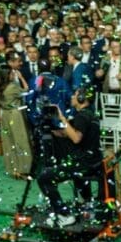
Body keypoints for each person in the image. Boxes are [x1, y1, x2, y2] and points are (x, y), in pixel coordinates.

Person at [36, 87, 103, 227]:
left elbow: (76, 138)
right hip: (91, 161)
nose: (72, 97)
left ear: (81, 99)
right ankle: (87, 205)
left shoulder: (82, 116)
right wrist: (53, 130)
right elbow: (69, 133)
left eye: (75, 95)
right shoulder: (89, 114)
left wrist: (62, 118)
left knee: (44, 178)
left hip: (82, 163)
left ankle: (64, 215)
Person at [0, 58, 32, 179]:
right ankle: (23, 169)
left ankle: (13, 169)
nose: (13, 74)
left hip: (4, 115)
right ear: (7, 75)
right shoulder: (12, 87)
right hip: (15, 115)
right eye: (11, 73)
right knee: (21, 141)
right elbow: (26, 90)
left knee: (9, 142)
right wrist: (21, 78)